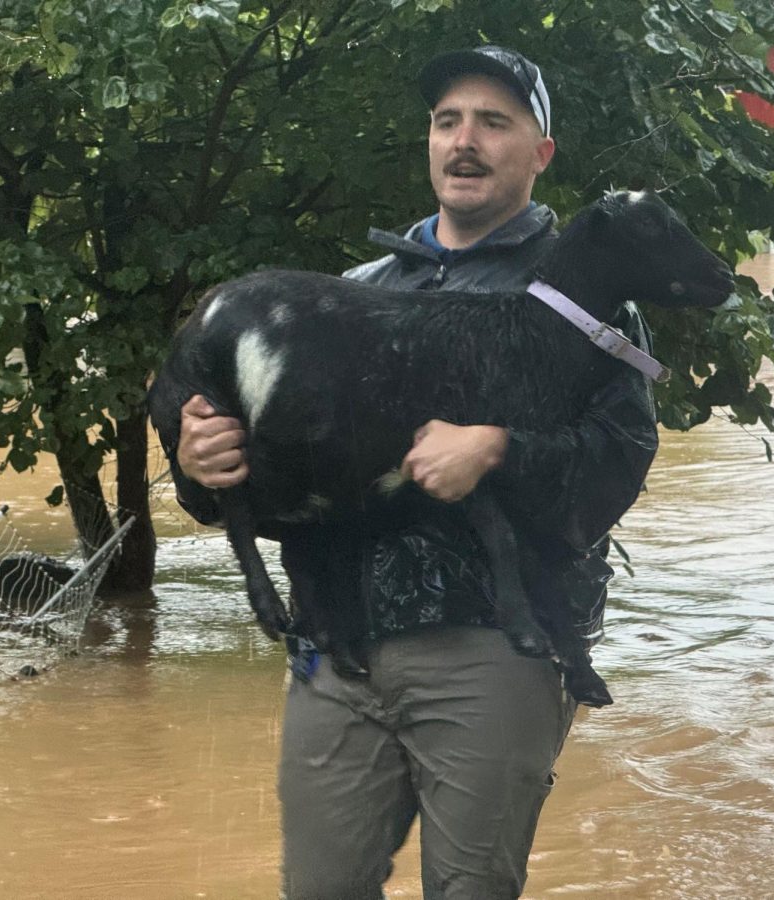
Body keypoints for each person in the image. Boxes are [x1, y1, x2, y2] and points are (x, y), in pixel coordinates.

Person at [172, 45, 659, 899]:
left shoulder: (587, 302)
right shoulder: (349, 291)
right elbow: (275, 490)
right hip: (331, 649)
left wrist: (498, 446)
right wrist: (205, 468)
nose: (464, 141)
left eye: (494, 122)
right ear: (429, 143)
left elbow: (617, 467)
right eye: (447, 122)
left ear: (541, 154)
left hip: (497, 647)